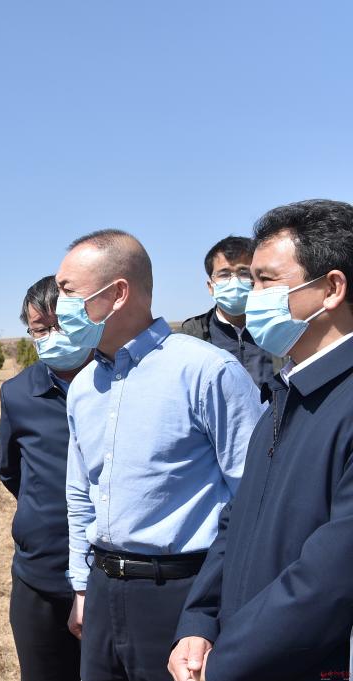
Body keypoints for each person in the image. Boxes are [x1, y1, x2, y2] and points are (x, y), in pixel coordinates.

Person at [57, 230, 264, 681]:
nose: (59, 306)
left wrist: (209, 614)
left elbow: (253, 499)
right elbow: (80, 494)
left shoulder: (208, 372)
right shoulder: (84, 386)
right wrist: (82, 587)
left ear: (117, 294)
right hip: (102, 589)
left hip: (182, 595)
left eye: (68, 292)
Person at [170, 199, 353, 681]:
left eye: (266, 281)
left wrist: (226, 662)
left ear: (332, 288)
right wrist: (199, 622)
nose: (251, 297)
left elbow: (328, 582)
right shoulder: (285, 394)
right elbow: (237, 519)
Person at [0, 275, 91, 681]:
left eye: (62, 325)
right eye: (41, 329)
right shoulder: (18, 393)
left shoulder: (117, 382)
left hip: (108, 574)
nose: (53, 336)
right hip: (40, 571)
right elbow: (10, 471)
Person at [180, 236, 279, 391]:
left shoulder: (278, 327)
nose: (234, 282)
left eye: (243, 272)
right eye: (224, 274)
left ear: (257, 278)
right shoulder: (192, 335)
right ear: (210, 286)